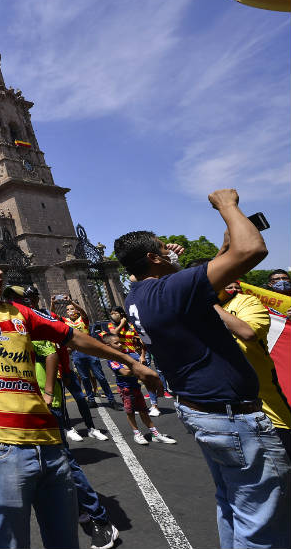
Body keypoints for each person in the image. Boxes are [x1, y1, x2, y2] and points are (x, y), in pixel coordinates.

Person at [0, 249, 161, 549]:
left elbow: (73, 337)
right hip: (3, 450)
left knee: (64, 540)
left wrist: (129, 361)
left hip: (50, 444)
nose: (0, 272)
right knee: (13, 542)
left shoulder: (20, 313)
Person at [114, 188, 290, 548]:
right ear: (153, 258)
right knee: (261, 524)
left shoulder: (137, 297)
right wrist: (227, 205)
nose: (171, 252)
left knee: (232, 504)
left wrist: (199, 253)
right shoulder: (173, 289)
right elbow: (252, 250)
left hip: (201, 411)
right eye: (164, 249)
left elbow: (185, 277)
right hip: (233, 418)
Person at [29, 334, 120, 549]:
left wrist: (49, 393)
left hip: (45, 405)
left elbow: (51, 352)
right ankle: (78, 506)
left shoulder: (25, 322)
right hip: (21, 409)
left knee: (64, 462)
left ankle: (100, 518)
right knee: (43, 466)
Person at [15, 287, 109, 443]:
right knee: (60, 403)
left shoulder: (47, 314)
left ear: (37, 298)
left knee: (80, 398)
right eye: (28, 297)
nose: (31, 300)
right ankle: (68, 428)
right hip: (48, 368)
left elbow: (64, 331)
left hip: (64, 364)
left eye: (33, 297)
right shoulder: (25, 319)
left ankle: (91, 428)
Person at [217, 280, 291, 455]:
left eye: (236, 286)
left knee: (282, 455)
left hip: (265, 405)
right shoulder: (190, 308)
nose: (234, 289)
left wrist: (211, 305)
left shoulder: (246, 302)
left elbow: (248, 332)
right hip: (221, 408)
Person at [101, 334, 176, 445]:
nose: (120, 344)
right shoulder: (111, 359)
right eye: (116, 343)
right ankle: (137, 434)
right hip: (125, 389)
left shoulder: (126, 355)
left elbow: (140, 362)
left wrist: (137, 361)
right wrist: (136, 366)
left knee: (143, 411)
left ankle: (155, 434)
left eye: (120, 342)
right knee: (130, 412)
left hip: (136, 387)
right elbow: (124, 372)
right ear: (108, 345)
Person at [65, 302, 118, 410]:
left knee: (100, 377)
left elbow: (83, 312)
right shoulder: (66, 322)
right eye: (68, 309)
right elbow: (52, 315)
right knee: (84, 378)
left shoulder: (83, 319)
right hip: (77, 353)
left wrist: (72, 302)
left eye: (72, 309)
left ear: (77, 310)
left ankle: (111, 400)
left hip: (90, 352)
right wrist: (52, 303)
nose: (70, 311)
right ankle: (91, 400)